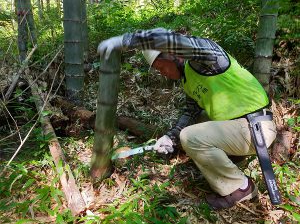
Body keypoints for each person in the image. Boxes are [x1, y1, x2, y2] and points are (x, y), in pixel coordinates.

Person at [97, 28, 277, 209]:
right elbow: (190, 113)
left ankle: (241, 189)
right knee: (195, 123)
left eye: (161, 66)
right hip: (240, 129)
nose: (162, 73)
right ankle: (233, 160)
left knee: (190, 136)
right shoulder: (188, 79)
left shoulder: (208, 59)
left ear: (173, 54)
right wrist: (170, 137)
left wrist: (128, 40)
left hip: (256, 127)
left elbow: (178, 43)